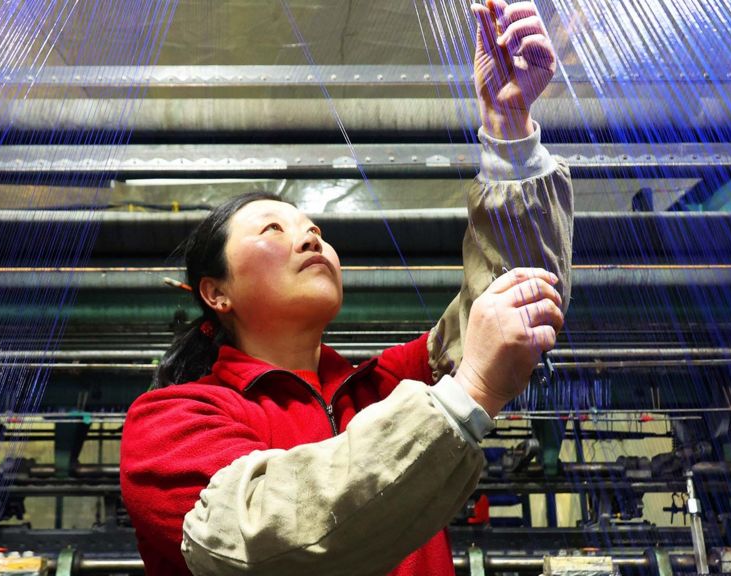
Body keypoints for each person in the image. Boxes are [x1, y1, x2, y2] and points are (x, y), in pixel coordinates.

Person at [120, 2, 573, 574]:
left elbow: (518, 299)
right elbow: (260, 536)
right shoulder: (173, 422)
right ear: (216, 293)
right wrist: (470, 392)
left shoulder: (392, 385)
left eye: (314, 229)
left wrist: (509, 131)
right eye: (272, 229)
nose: (310, 235)